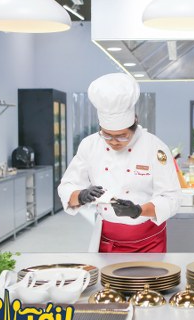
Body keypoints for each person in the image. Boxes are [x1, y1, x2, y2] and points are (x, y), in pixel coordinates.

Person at [58, 73, 181, 253]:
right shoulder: (89, 145)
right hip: (107, 241)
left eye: (122, 136)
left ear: (135, 123)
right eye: (107, 135)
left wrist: (138, 211)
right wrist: (82, 195)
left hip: (149, 242)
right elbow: (67, 186)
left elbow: (172, 198)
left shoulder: (155, 147)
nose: (114, 142)